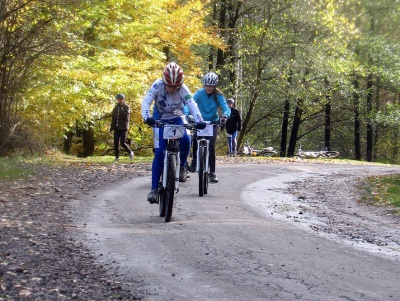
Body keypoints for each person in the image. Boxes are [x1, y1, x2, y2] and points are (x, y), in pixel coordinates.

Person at [142, 62, 204, 204]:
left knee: (186, 140)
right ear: (164, 82)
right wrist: (146, 117)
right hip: (160, 117)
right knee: (159, 152)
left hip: (177, 116)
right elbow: (147, 101)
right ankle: (154, 190)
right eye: (169, 85)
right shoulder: (157, 85)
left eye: (175, 86)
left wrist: (199, 120)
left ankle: (182, 166)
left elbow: (192, 105)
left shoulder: (183, 89)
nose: (172, 89)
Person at [190, 72, 230, 183]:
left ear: (215, 86)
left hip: (212, 123)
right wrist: (187, 114)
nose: (208, 88)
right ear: (203, 85)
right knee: (195, 138)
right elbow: (190, 104)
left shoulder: (219, 96)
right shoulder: (199, 93)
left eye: (211, 86)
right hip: (200, 121)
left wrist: (225, 116)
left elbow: (226, 108)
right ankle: (194, 160)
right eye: (206, 85)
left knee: (211, 145)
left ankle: (212, 172)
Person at [110, 93, 134, 161]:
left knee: (122, 142)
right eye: (118, 99)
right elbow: (113, 118)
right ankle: (117, 157)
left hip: (124, 127)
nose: (119, 100)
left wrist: (121, 109)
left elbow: (126, 116)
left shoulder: (126, 107)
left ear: (123, 99)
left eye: (120, 99)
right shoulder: (115, 108)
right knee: (116, 143)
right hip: (116, 127)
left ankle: (130, 152)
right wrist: (112, 126)